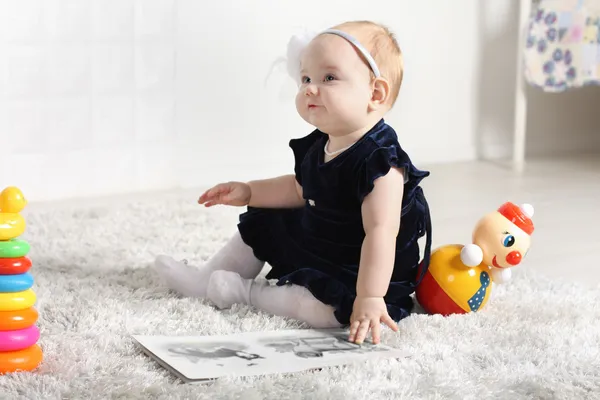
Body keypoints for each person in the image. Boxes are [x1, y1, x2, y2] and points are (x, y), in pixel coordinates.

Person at [154, 20, 432, 345]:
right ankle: (206, 279)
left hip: (360, 270)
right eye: (305, 78)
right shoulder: (321, 144)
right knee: (264, 219)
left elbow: (381, 233)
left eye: (328, 77)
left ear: (375, 93)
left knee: (325, 310)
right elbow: (299, 190)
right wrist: (249, 191)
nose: (310, 88)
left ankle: (246, 293)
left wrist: (370, 298)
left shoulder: (381, 162)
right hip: (321, 241)